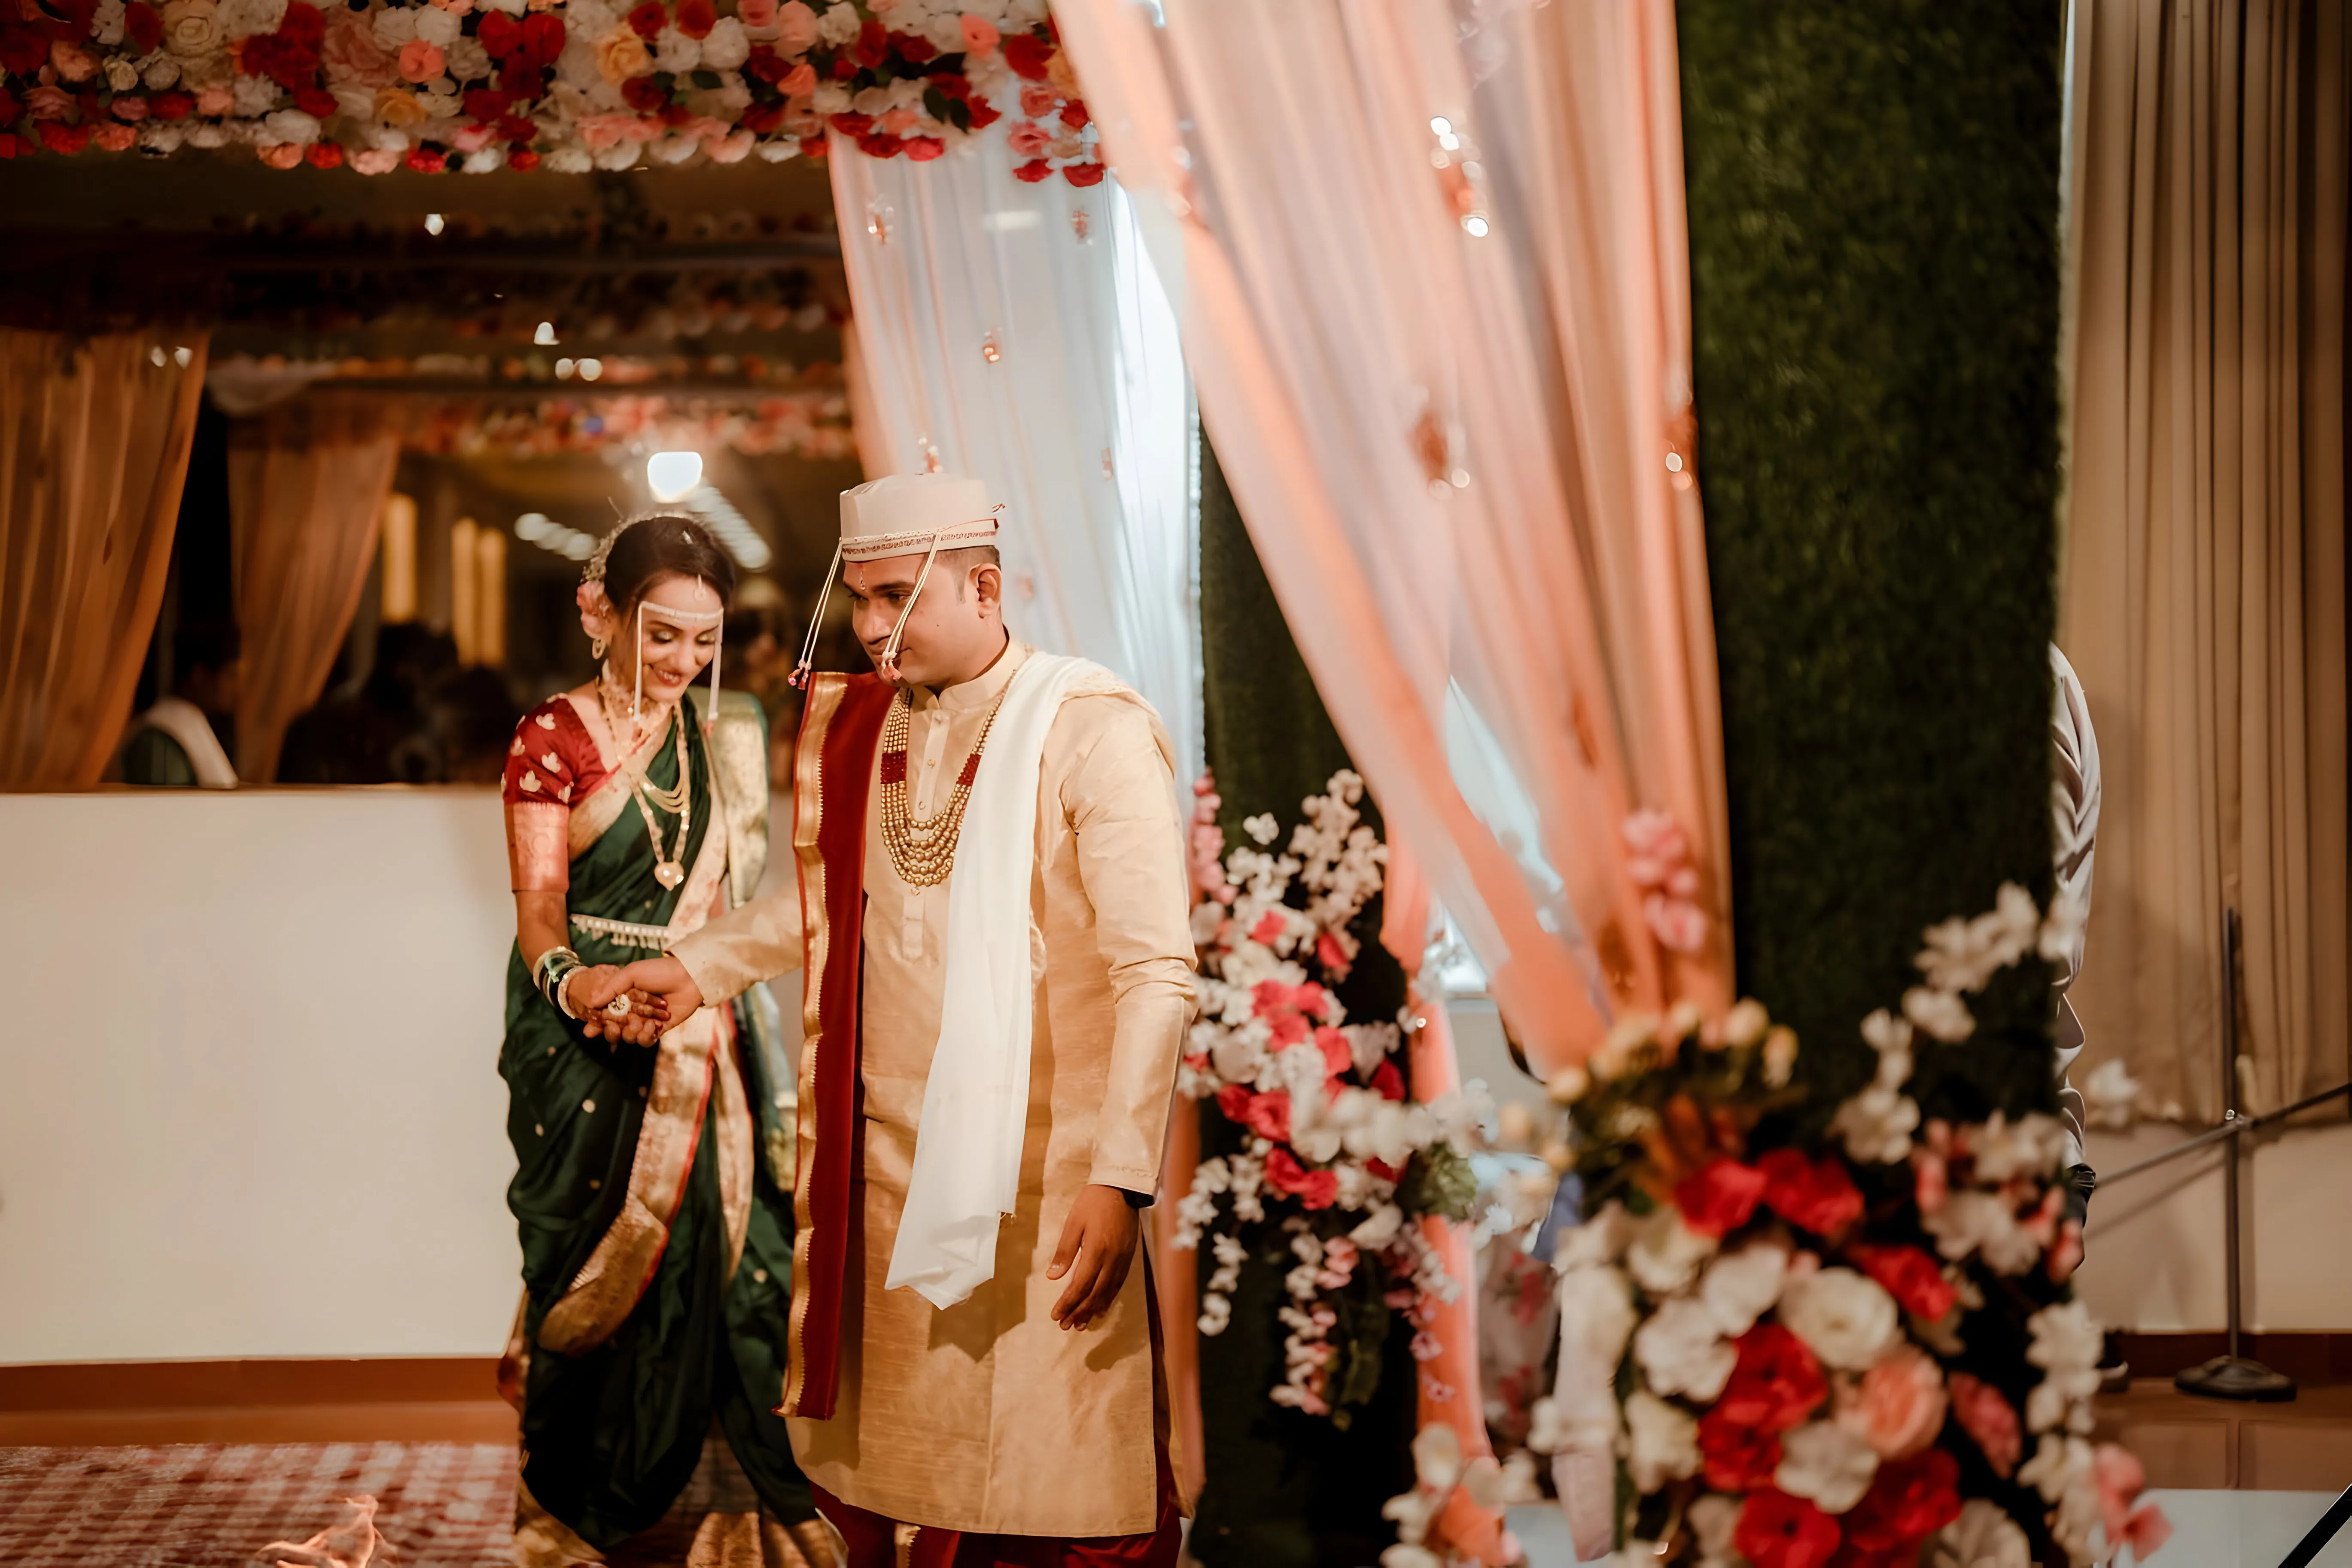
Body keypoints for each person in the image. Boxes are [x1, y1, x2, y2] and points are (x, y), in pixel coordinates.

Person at [581, 473, 1195, 1568]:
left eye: (896, 596)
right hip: (884, 1174)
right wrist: (695, 968)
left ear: (985, 587)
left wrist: (1121, 1173)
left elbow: (1157, 972)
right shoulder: (875, 726)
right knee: (898, 1488)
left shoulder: (1091, 731)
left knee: (1042, 1491)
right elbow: (830, 901)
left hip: (1047, 1183)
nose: (869, 624)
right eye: (858, 597)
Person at [495, 513, 836, 1568]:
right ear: (602, 616)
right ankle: (577, 1509)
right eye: (662, 636)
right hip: (583, 1033)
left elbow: (739, 898)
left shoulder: (728, 731)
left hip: (708, 1027)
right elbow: (539, 911)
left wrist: (702, 987)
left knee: (744, 1261)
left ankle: (739, 1509)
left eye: (704, 639)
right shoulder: (551, 737)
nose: (686, 662)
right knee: (592, 1258)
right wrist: (581, 983)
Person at [119, 620, 240, 787]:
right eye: (231, 676)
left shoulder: (199, 724)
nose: (237, 688)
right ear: (199, 676)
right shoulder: (163, 734)